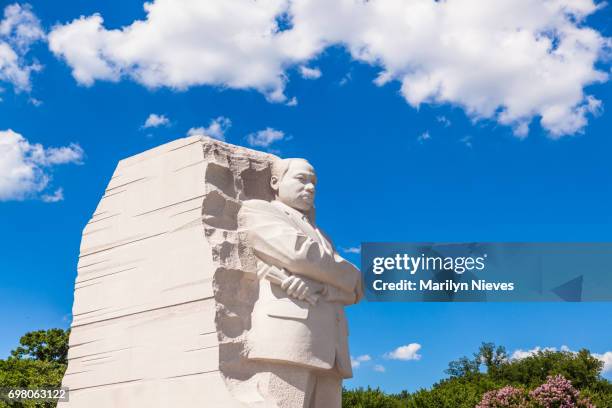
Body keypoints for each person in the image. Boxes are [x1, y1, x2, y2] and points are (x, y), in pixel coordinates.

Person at [238, 158, 362, 408]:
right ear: (276, 182)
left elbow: (357, 287)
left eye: (314, 182)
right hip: (289, 339)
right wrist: (338, 273)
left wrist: (322, 287)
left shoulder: (322, 236)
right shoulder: (259, 210)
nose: (311, 187)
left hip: (333, 349)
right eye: (301, 179)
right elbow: (299, 254)